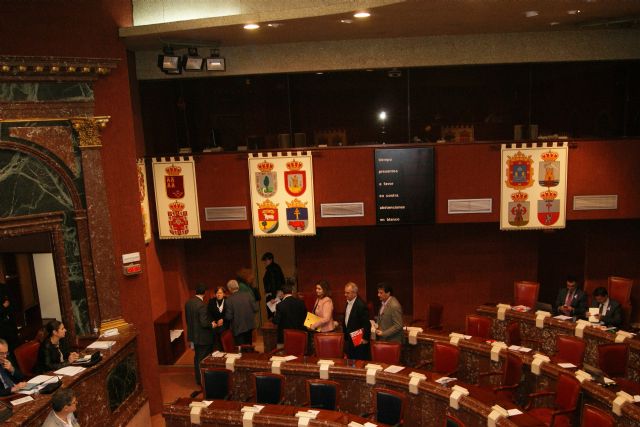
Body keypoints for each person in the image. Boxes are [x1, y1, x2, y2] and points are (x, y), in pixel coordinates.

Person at [185, 284, 214, 387]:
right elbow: (204, 323)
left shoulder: (188, 303)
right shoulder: (202, 305)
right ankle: (202, 380)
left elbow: (188, 320)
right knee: (202, 358)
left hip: (193, 335)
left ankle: (198, 379)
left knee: (197, 357)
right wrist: (212, 324)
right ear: (205, 293)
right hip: (203, 337)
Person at [272, 278, 307, 345]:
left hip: (285, 338)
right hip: (299, 335)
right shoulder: (301, 303)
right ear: (292, 291)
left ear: (282, 292)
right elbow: (305, 318)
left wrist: (274, 314)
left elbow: (276, 321)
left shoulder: (280, 305)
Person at [225, 279, 258, 345]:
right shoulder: (248, 295)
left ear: (229, 289)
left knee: (240, 350)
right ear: (238, 286)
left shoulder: (229, 300)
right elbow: (256, 308)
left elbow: (229, 317)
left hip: (238, 329)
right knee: (249, 346)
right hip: (249, 326)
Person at [343, 282, 370, 360]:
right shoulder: (348, 302)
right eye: (345, 292)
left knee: (358, 361)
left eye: (347, 293)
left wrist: (365, 338)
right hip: (350, 337)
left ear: (354, 293)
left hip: (359, 338)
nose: (345, 294)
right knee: (351, 359)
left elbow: (366, 323)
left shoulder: (361, 305)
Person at [262, 252, 285, 318]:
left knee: (272, 316)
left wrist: (273, 297)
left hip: (273, 295)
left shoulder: (271, 269)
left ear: (271, 260)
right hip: (277, 294)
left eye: (266, 260)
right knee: (277, 314)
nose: (265, 262)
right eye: (264, 260)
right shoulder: (276, 267)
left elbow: (273, 283)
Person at [207, 286, 228, 351]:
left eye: (220, 293)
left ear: (224, 294)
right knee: (214, 333)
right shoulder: (211, 301)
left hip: (226, 323)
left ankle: (224, 350)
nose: (218, 295)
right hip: (215, 323)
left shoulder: (228, 301)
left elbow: (230, 313)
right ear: (215, 294)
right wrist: (213, 321)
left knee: (222, 331)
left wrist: (223, 319)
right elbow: (209, 313)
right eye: (217, 293)